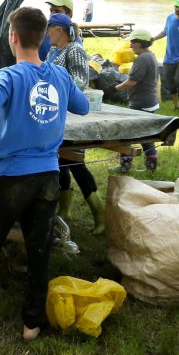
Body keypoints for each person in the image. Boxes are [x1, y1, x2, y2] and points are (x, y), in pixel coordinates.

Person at [0, 6, 89, 340]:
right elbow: (84, 106)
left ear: (13, 37)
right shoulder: (59, 76)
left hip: (10, 177)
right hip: (48, 175)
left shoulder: (9, 76)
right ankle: (32, 324)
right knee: (40, 251)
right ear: (44, 37)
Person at [39, 13, 105, 234]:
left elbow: (80, 81)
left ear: (59, 29)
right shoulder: (52, 51)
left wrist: (56, 85)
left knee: (75, 162)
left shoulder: (74, 49)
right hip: (55, 111)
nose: (46, 33)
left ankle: (100, 215)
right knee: (62, 161)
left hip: (73, 112)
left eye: (49, 28)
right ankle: (65, 210)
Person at [113, 29, 160, 172]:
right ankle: (151, 168)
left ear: (140, 43)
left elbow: (131, 82)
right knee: (146, 137)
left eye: (133, 42)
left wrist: (115, 88)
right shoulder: (150, 56)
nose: (131, 45)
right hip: (150, 101)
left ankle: (124, 167)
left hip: (140, 103)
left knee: (126, 136)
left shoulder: (142, 59)